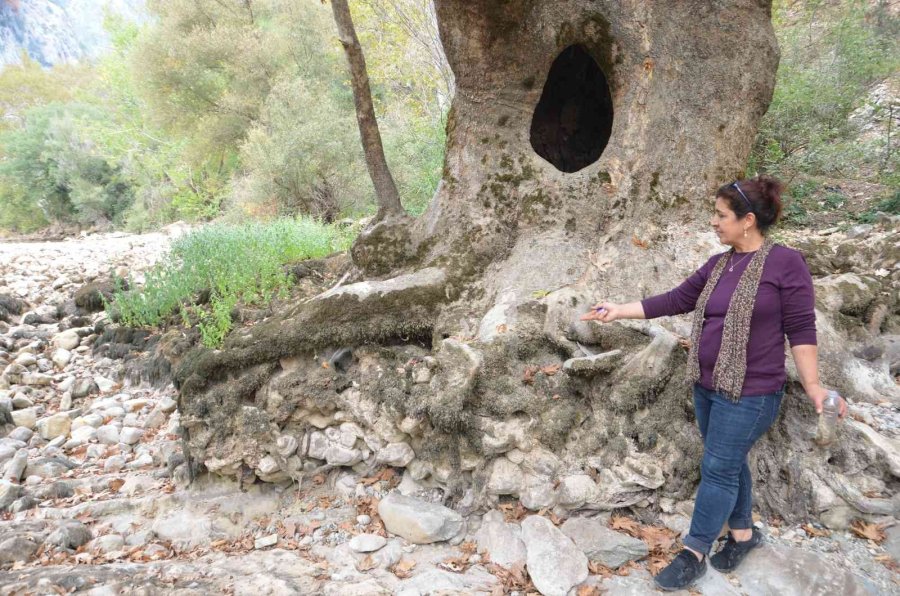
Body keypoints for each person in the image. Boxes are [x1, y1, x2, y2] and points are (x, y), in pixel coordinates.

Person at [581, 175, 848, 591]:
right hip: (707, 385)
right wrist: (618, 310)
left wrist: (814, 386)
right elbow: (675, 299)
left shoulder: (785, 263)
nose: (714, 222)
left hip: (753, 393)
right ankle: (743, 534)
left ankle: (694, 552)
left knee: (719, 468)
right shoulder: (720, 264)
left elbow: (800, 328)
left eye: (721, 215)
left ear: (747, 220)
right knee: (728, 460)